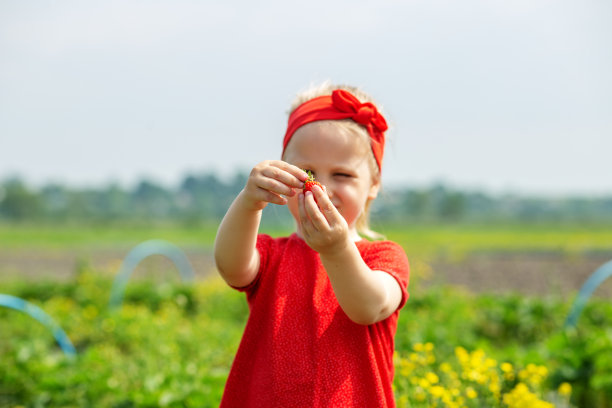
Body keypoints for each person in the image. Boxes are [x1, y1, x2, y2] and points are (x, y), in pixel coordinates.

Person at [213, 82, 410, 407]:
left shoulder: (384, 257)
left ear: (373, 184)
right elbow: (231, 267)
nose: (322, 187)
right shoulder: (272, 255)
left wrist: (336, 248)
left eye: (342, 175)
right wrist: (249, 202)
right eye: (306, 172)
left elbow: (367, 307)